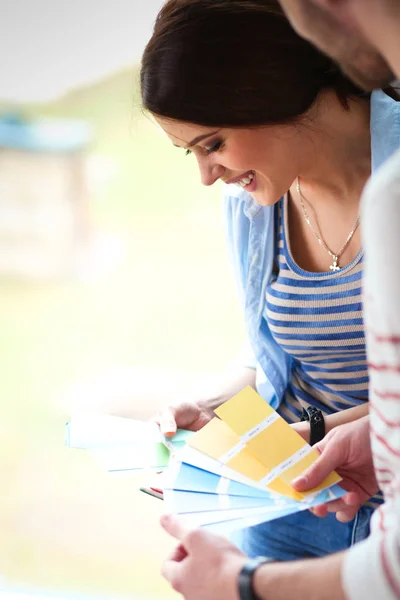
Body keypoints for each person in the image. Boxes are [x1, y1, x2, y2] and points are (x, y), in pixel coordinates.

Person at [155, 0, 400, 599]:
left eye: (211, 143)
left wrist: (307, 432)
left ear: (263, 90)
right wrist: (225, 401)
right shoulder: (255, 200)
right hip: (288, 498)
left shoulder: (394, 192)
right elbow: (279, 346)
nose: (207, 175)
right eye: (190, 151)